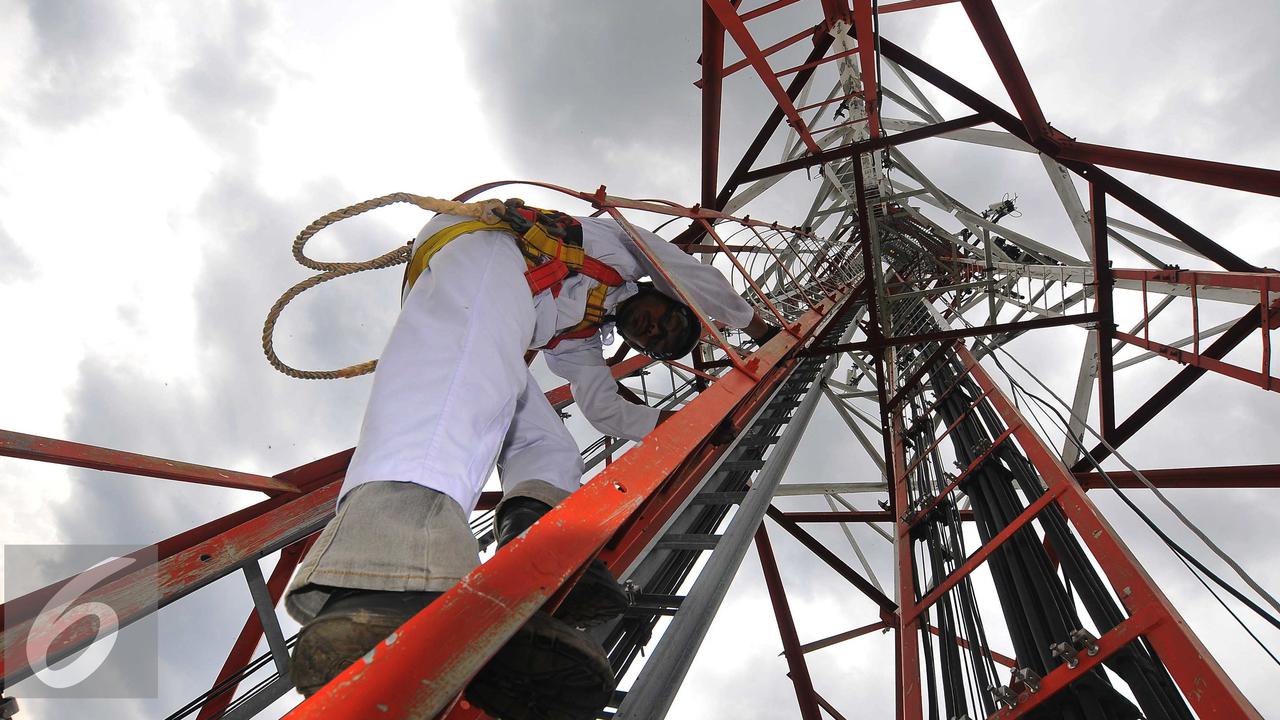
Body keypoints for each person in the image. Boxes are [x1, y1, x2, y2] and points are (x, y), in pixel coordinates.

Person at [283, 203, 778, 719]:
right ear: (663, 295)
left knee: (550, 448)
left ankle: (535, 537)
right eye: (667, 321)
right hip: (492, 253)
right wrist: (753, 325)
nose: (652, 331)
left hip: (501, 300)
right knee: (464, 384)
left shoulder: (581, 340)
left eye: (655, 343)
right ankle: (384, 571)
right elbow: (692, 274)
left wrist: (671, 429)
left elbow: (603, 408)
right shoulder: (621, 247)